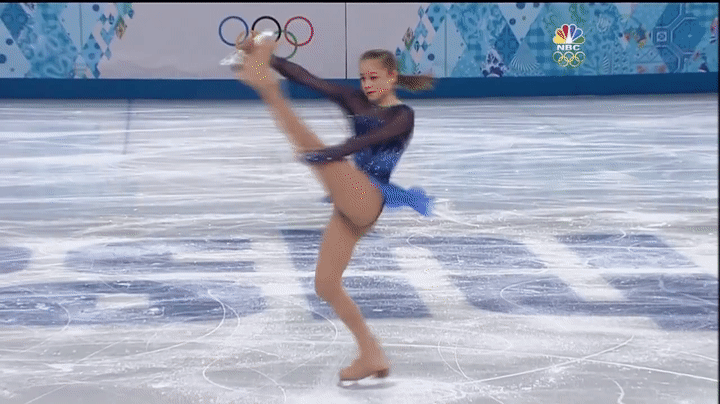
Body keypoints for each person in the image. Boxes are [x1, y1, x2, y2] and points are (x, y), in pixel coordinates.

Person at [232, 32, 434, 382]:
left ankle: (266, 87)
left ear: (392, 77)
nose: (367, 84)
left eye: (374, 77)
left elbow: (369, 139)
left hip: (370, 194)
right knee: (325, 284)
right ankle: (371, 354)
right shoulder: (355, 100)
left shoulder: (403, 115)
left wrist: (330, 154)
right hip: (352, 199)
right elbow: (310, 80)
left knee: (306, 142)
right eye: (363, 77)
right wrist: (270, 58)